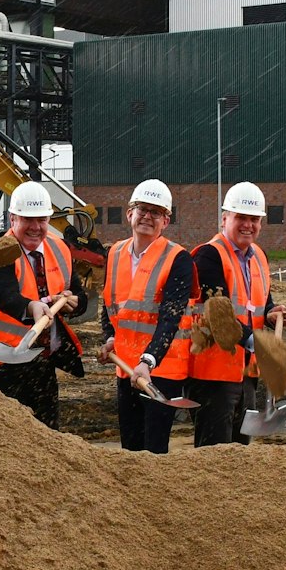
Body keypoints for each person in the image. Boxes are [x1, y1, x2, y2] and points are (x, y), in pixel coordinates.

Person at [0, 181, 90, 428]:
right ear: (13, 219)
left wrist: (74, 303)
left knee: (46, 432)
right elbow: (6, 297)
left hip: (40, 361)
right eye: (27, 220)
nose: (35, 227)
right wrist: (31, 307)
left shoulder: (59, 248)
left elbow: (78, 294)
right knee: (3, 435)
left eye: (41, 220)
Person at [186, 181, 286, 446]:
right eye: (241, 217)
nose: (248, 225)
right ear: (224, 219)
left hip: (245, 374)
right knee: (215, 453)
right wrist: (261, 344)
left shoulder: (259, 257)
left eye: (254, 219)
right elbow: (218, 317)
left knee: (240, 452)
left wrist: (271, 313)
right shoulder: (208, 256)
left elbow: (260, 302)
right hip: (213, 375)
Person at [97, 179, 194, 453]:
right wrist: (110, 337)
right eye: (142, 209)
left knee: (153, 450)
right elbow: (110, 306)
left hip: (161, 370)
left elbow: (170, 318)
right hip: (126, 368)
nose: (147, 217)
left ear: (166, 221)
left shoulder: (178, 259)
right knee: (130, 447)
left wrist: (148, 361)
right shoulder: (114, 253)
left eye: (156, 212)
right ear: (130, 213)